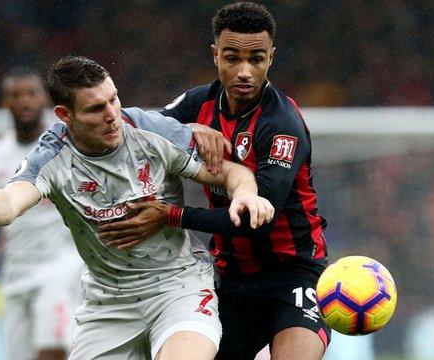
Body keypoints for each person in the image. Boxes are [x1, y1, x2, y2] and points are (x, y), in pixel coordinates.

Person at [0, 55, 274, 360]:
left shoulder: (149, 129)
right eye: (96, 109)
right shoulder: (52, 156)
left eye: (113, 99)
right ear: (65, 116)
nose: (113, 116)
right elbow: (10, 200)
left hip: (177, 288)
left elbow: (232, 172)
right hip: (108, 304)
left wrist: (244, 193)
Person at [99, 3, 330, 359]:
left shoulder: (282, 124)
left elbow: (257, 219)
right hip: (232, 280)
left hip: (295, 274)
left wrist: (171, 215)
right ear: (215, 55)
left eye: (256, 59)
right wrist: (186, 129)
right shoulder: (198, 102)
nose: (244, 72)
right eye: (232, 57)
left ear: (271, 57)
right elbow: (138, 132)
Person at [0, 66, 82, 360]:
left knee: (53, 349)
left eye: (31, 93)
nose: (24, 101)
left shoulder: (65, 147)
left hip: (60, 267)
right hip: (15, 272)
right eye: (15, 95)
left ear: (45, 99)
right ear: (4, 103)